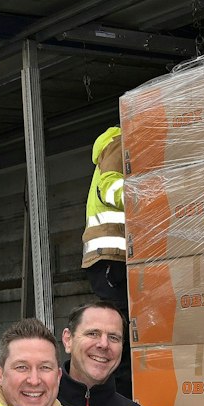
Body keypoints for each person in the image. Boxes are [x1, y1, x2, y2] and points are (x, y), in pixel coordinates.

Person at [82, 126, 128, 311]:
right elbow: (108, 188)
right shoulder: (119, 141)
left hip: (113, 253)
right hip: (110, 252)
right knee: (121, 315)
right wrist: (147, 202)